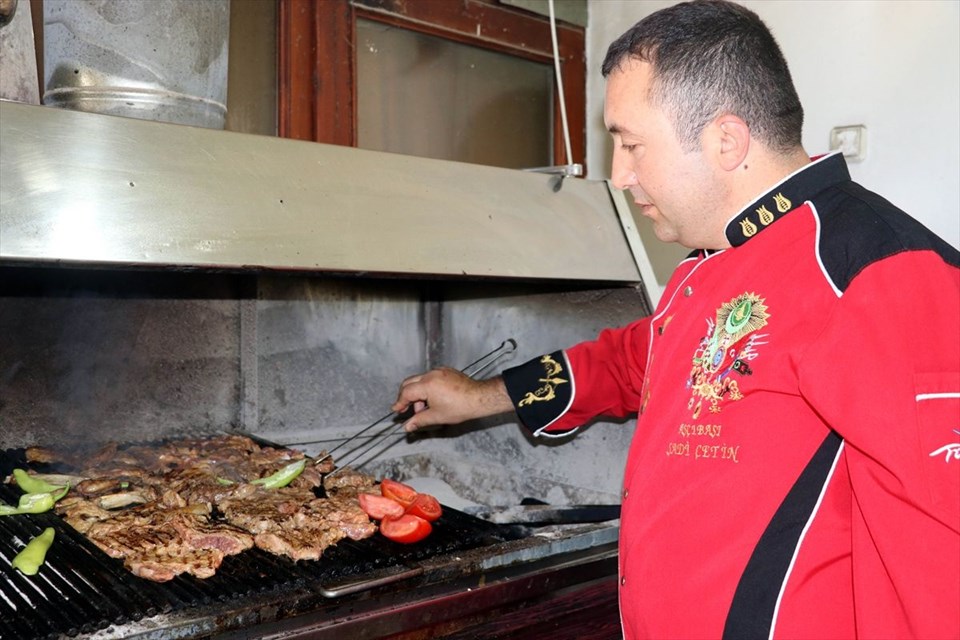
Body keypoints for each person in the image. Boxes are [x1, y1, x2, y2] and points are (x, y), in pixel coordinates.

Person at [392, 1, 960, 638]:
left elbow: (940, 559)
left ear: (725, 139)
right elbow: (634, 361)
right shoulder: (715, 260)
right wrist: (478, 398)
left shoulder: (877, 270)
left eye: (632, 144)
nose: (619, 175)